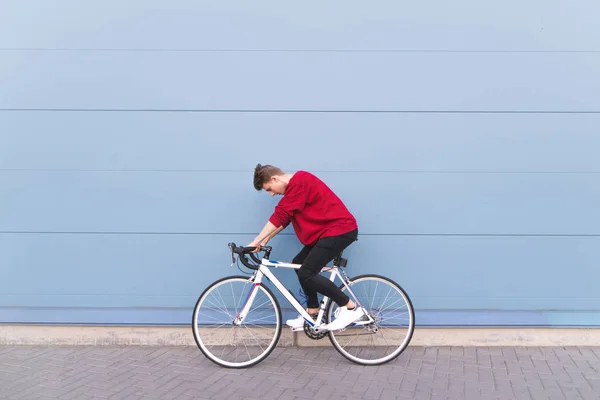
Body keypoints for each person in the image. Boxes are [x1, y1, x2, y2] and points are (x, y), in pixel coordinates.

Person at [247, 164, 364, 331]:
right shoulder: (295, 190)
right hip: (327, 233)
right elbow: (285, 219)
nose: (272, 194)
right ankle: (313, 312)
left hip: (340, 230)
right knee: (299, 264)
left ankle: (350, 308)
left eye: (269, 189)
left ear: (275, 178)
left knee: (306, 272)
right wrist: (264, 240)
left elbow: (281, 214)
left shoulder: (300, 181)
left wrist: (255, 240)